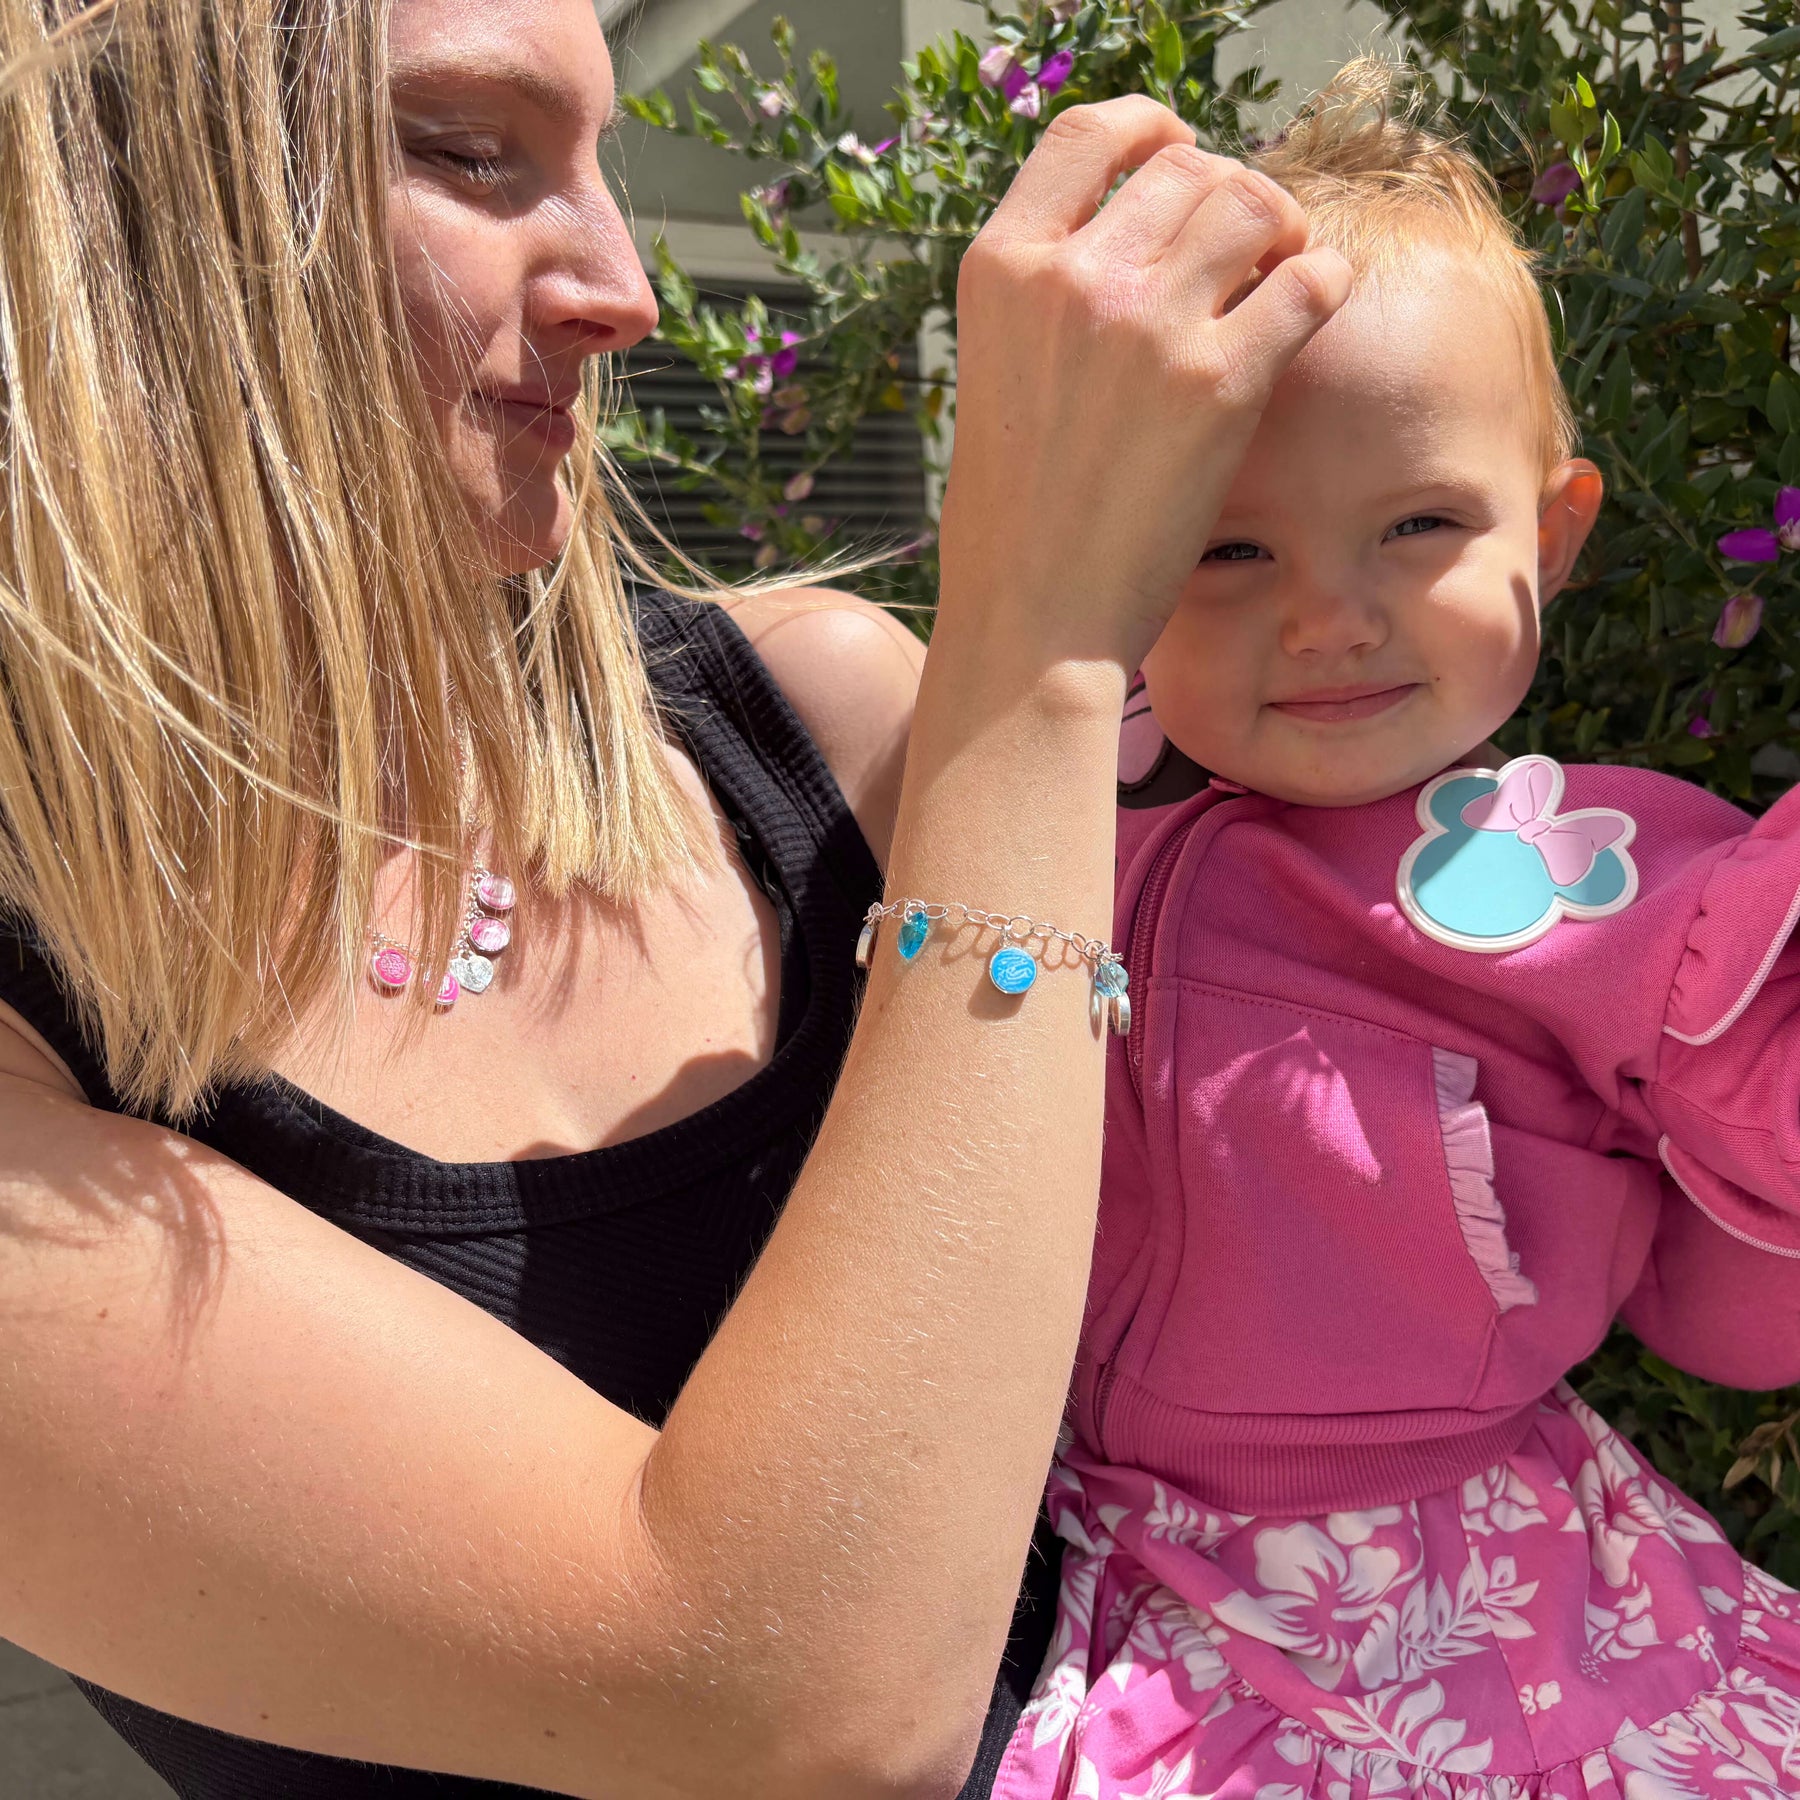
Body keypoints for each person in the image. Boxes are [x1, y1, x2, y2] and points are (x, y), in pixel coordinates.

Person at [0, 0, 1351, 1794]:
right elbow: (803, 1710)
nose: (627, 293)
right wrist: (1038, 652)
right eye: (468, 152)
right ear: (94, 196)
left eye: (601, 169)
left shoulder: (819, 726)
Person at [992, 62, 1800, 1800]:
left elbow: (1739, 1305)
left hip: (1450, 1579)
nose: (1327, 617)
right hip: (1060, 1537)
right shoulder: (1050, 815)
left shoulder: (1614, 889)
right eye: (1226, 550)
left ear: (1553, 537)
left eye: (1417, 524)